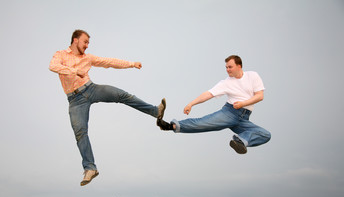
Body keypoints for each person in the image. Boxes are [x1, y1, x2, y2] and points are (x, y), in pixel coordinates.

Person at [49, 29, 166, 186]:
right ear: (75, 40)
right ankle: (90, 168)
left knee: (122, 95)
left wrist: (131, 64)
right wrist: (75, 71)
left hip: (91, 89)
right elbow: (53, 66)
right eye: (85, 42)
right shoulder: (61, 55)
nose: (87, 46)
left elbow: (109, 62)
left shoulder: (88, 58)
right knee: (80, 132)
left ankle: (155, 111)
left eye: (88, 43)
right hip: (75, 100)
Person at [157, 55, 271, 154]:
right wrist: (191, 104)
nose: (227, 70)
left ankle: (240, 141)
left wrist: (243, 103)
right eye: (226, 67)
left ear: (239, 66)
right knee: (202, 123)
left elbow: (259, 96)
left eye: (230, 67)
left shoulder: (252, 76)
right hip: (230, 113)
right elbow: (208, 94)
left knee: (265, 135)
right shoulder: (226, 82)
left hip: (243, 118)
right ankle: (169, 126)